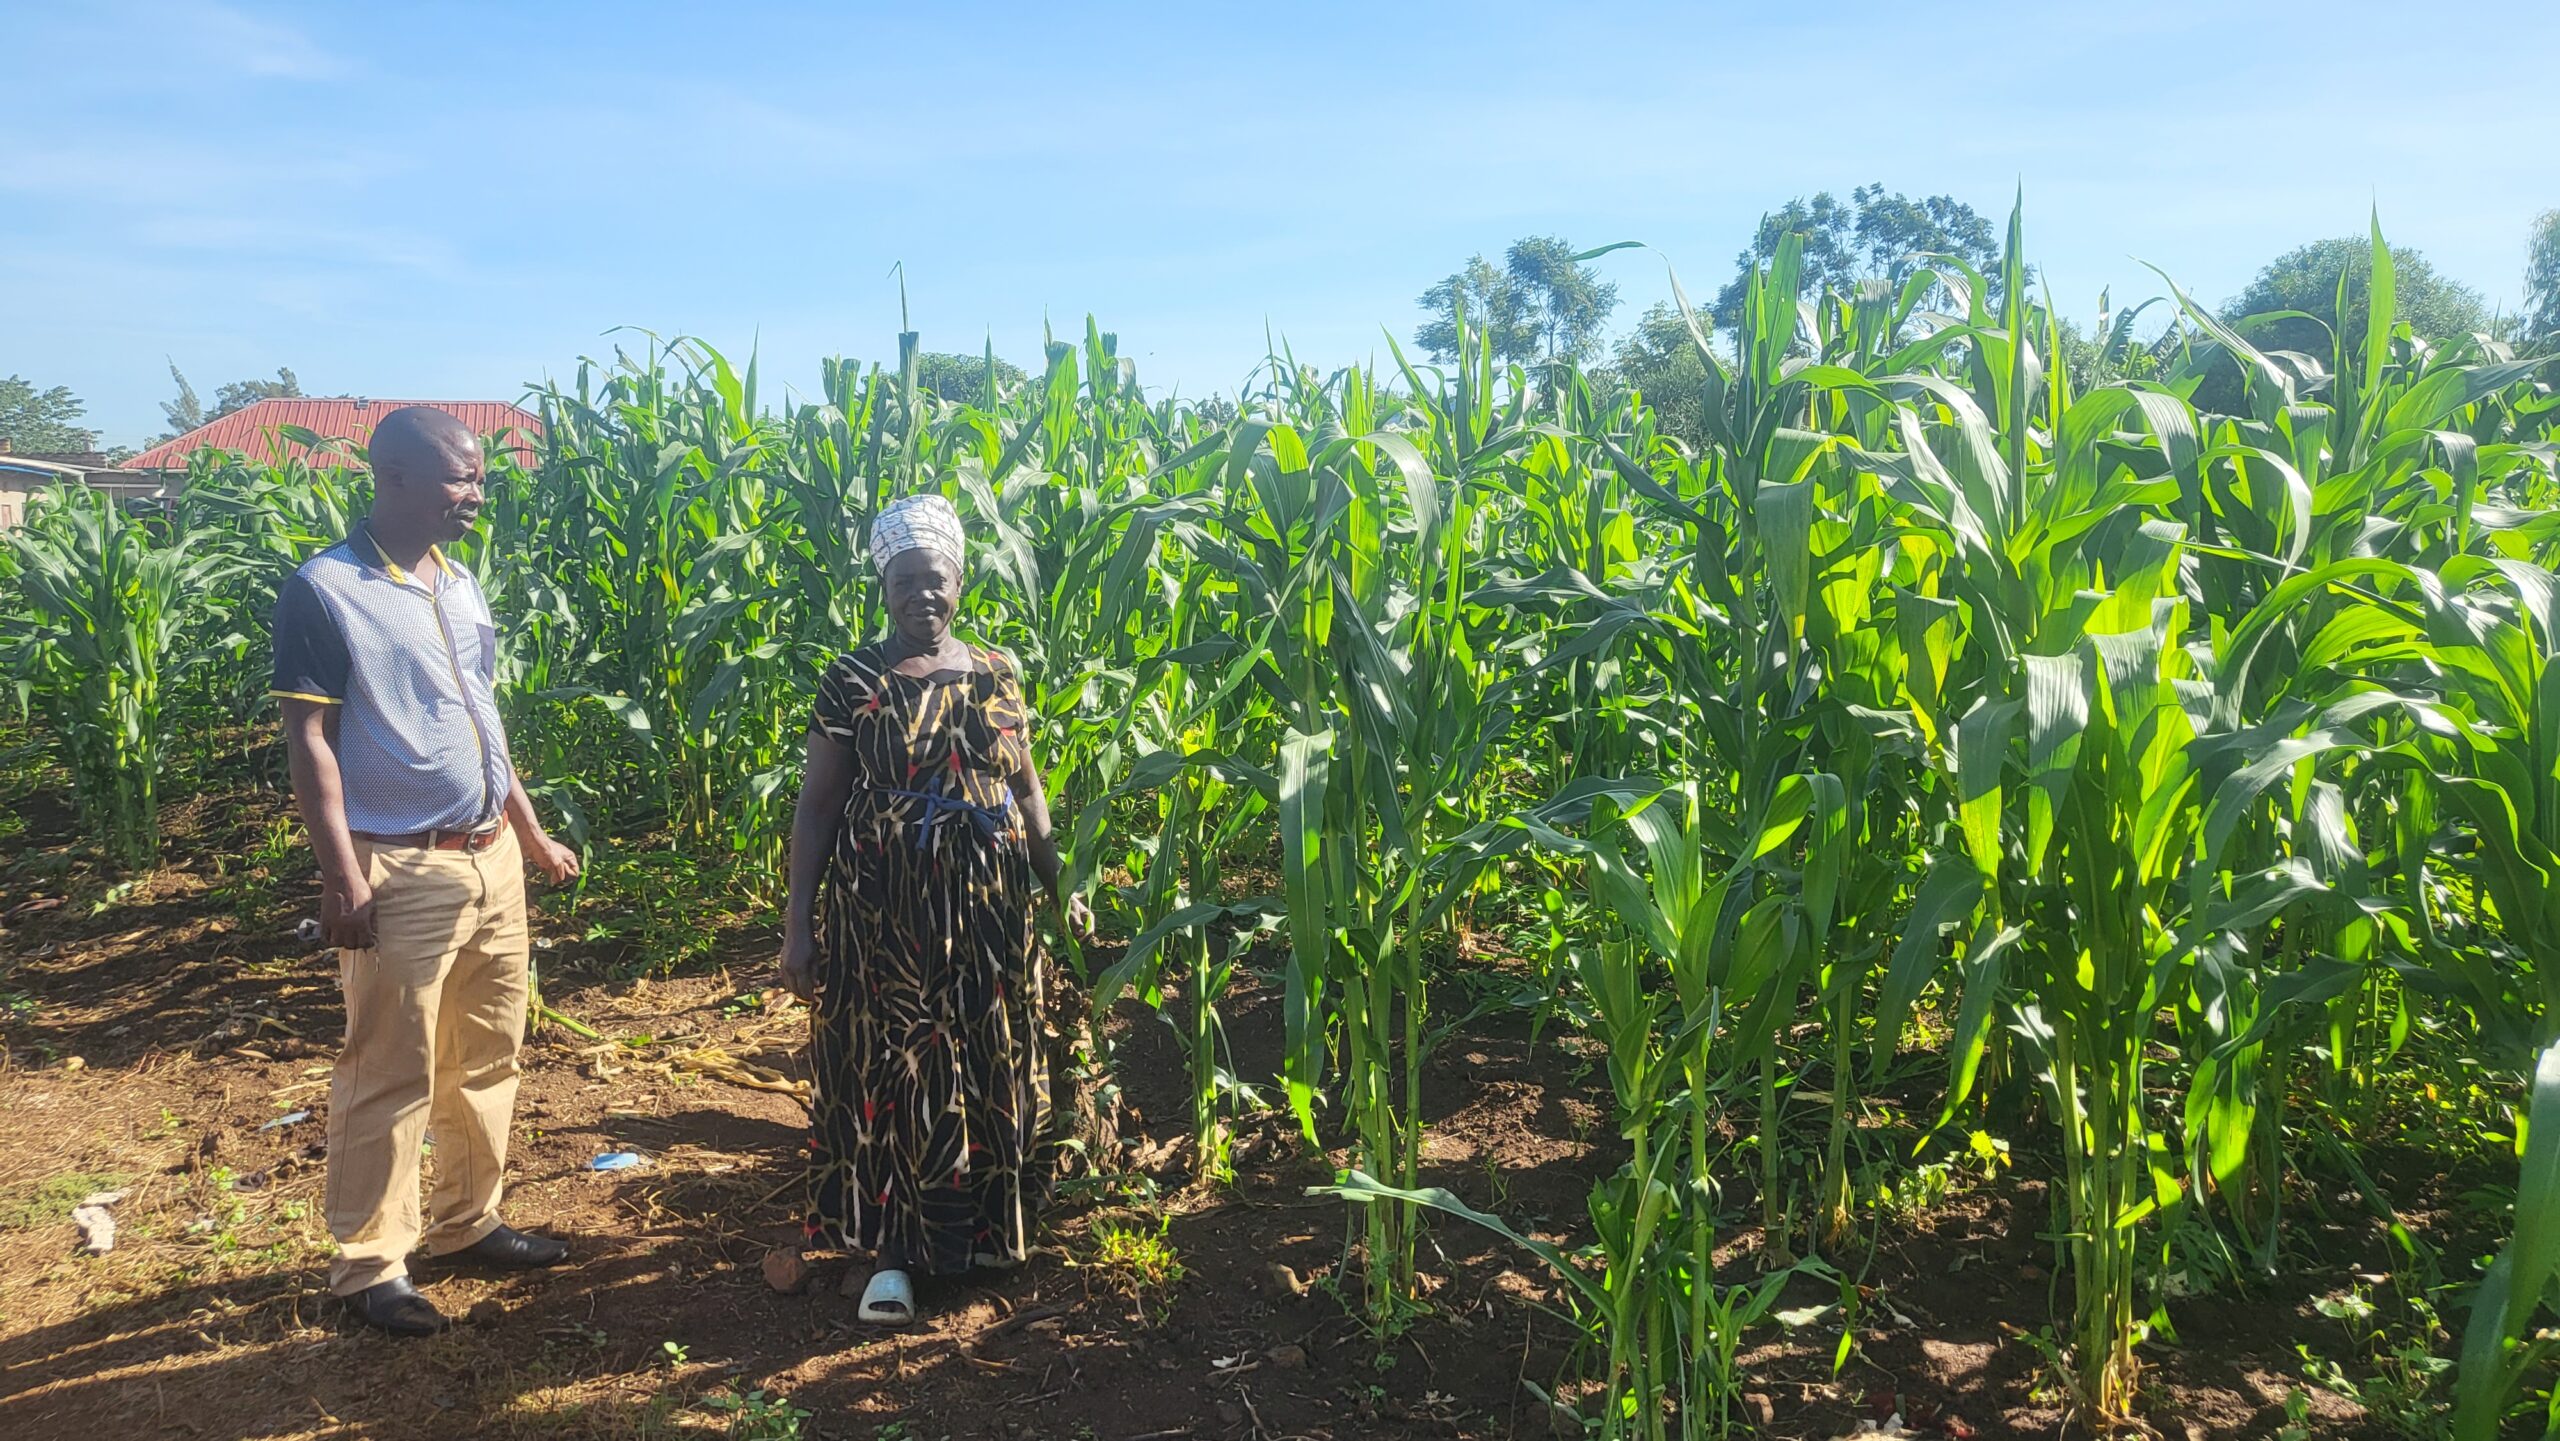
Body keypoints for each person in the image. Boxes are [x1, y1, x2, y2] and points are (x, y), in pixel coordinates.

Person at [271, 406, 583, 1337]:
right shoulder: (327, 590)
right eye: (461, 478)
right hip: (399, 865)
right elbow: (311, 741)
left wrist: (528, 833)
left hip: (488, 856)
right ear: (395, 476)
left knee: (489, 1052)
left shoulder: (459, 582)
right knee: (390, 1066)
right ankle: (370, 1263)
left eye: (481, 477)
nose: (477, 494)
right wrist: (343, 879)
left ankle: (465, 1220)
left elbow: (480, 721)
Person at [778, 491, 1091, 1326]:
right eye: (906, 580)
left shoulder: (996, 670)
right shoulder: (853, 679)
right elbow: (816, 808)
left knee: (986, 1055)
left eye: (938, 580)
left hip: (989, 908)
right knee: (894, 1067)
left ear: (961, 582)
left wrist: (1062, 882)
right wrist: (797, 925)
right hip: (885, 910)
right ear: (883, 585)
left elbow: (1028, 792)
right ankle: (892, 1256)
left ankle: (987, 1235)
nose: (924, 595)